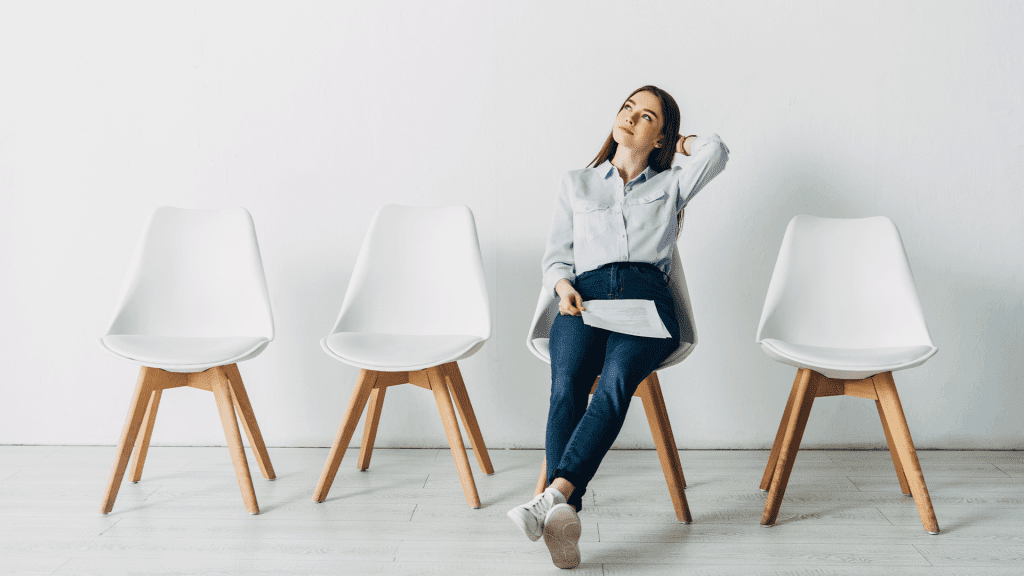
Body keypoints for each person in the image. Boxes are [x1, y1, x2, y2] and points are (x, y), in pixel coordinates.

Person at [507, 85, 729, 569]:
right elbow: (556, 256)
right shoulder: (577, 183)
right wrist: (562, 287)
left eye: (646, 116)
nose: (630, 117)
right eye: (627, 107)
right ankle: (560, 509)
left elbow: (718, 152)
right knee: (565, 387)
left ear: (659, 136)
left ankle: (552, 497)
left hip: (646, 301)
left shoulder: (670, 184)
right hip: (583, 300)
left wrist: (680, 144)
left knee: (614, 384)